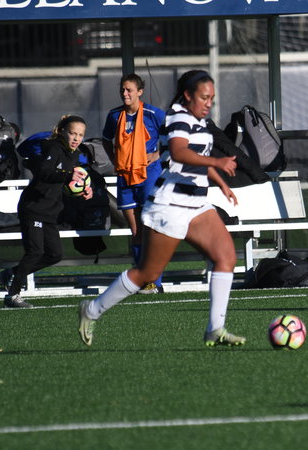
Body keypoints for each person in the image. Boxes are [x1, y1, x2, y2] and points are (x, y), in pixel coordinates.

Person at [78, 70, 245, 348]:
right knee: (147, 274)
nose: (209, 103)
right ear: (188, 95)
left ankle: (215, 329)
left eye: (212, 98)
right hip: (170, 205)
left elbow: (197, 159)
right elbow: (179, 152)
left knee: (226, 257)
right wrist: (217, 163)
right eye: (204, 97)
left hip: (196, 203)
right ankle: (91, 310)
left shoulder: (199, 121)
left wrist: (221, 183)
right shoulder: (178, 117)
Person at [0, 115, 93, 308]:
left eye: (80, 135)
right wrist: (68, 174)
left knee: (54, 255)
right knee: (35, 251)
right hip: (33, 207)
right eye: (73, 133)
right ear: (63, 132)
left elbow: (66, 180)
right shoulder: (53, 148)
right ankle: (12, 296)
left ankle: (12, 273)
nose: (76, 138)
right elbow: (44, 172)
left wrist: (84, 189)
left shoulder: (74, 154)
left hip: (50, 211)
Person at [102, 73, 166, 294]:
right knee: (136, 230)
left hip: (149, 175)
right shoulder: (114, 115)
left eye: (129, 89)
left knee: (150, 228)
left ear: (140, 92)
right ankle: (143, 280)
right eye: (122, 89)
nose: (125, 93)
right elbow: (106, 139)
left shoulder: (153, 114)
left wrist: (156, 155)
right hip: (125, 177)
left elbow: (173, 137)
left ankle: (155, 282)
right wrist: (115, 160)